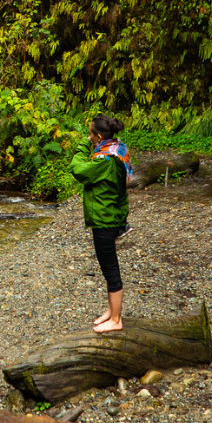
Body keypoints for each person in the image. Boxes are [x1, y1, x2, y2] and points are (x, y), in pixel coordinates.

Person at [70, 113, 131, 333]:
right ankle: (111, 311)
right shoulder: (117, 148)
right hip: (111, 214)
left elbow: (78, 169)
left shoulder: (105, 159)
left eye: (89, 134)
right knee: (107, 269)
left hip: (105, 219)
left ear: (97, 136)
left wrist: (80, 146)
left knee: (110, 270)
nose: (88, 137)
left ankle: (116, 320)